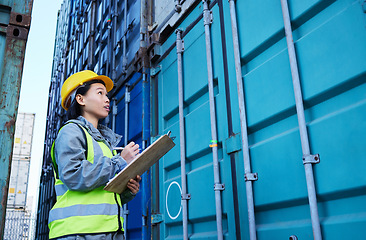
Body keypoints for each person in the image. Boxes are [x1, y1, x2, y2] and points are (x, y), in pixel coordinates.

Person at [48, 70, 141, 240]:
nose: (107, 99)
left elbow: (100, 190)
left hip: (108, 232)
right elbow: (74, 176)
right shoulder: (71, 131)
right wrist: (119, 162)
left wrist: (126, 190)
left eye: (107, 95)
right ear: (80, 99)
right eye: (100, 93)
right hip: (77, 232)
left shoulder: (104, 142)